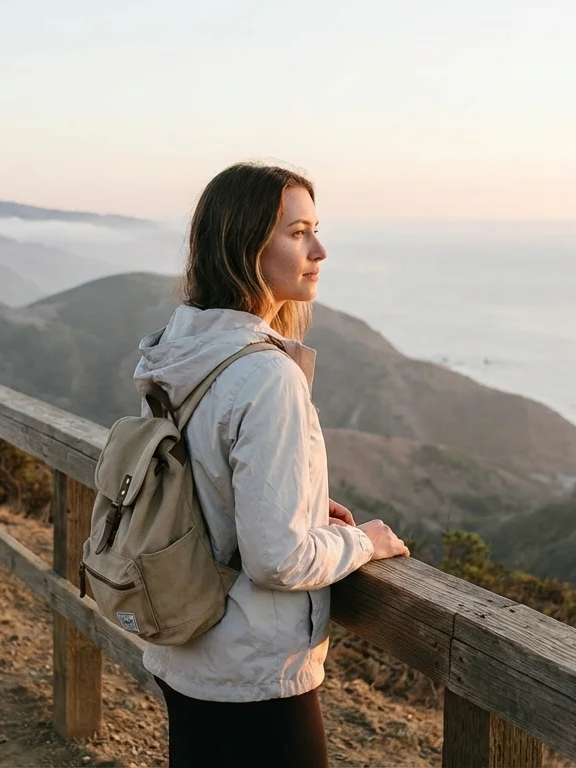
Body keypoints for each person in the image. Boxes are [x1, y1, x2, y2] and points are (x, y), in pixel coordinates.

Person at [133, 162, 410, 768]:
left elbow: (200, 482)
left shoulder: (180, 350)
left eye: (315, 230)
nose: (319, 250)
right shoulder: (266, 375)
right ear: (245, 245)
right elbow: (277, 559)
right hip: (253, 672)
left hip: (186, 647)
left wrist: (305, 508)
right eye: (298, 232)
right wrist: (363, 543)